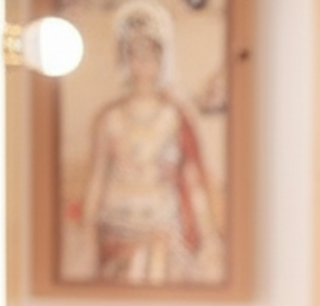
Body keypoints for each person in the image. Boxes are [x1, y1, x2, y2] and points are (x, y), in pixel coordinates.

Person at [71, 0, 223, 285]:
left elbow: (191, 180)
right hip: (118, 225)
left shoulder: (174, 117)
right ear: (124, 57)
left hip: (163, 224)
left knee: (161, 267)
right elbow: (97, 180)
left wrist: (210, 237)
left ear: (162, 57)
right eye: (133, 53)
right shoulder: (111, 119)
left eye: (149, 53)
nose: (142, 62)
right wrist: (88, 235)